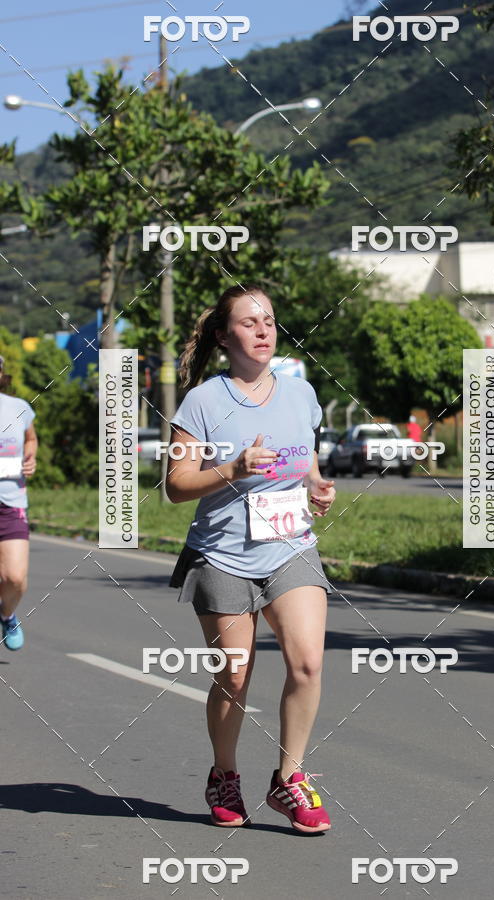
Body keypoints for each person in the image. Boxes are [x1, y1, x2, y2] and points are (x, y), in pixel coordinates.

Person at [167, 284, 336, 834]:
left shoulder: (299, 393)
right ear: (224, 335)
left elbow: (304, 453)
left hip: (290, 547)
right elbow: (175, 485)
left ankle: (290, 780)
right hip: (222, 555)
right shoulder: (202, 403)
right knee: (234, 677)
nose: (264, 329)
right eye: (250, 321)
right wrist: (233, 470)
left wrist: (315, 484)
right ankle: (224, 775)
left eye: (269, 319)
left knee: (307, 662)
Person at [0, 356, 38, 651]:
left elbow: (30, 439)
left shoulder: (19, 408)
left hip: (10, 502)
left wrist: (30, 457)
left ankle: (7, 615)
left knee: (15, 578)